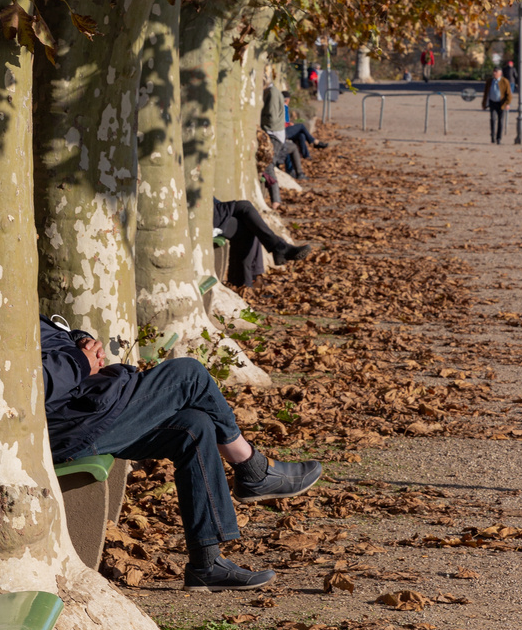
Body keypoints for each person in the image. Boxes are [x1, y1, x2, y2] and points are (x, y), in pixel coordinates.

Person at [41, 315, 323, 591]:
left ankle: (206, 564)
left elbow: (48, 343)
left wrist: (79, 340)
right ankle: (252, 469)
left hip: (87, 409)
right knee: (188, 375)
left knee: (193, 426)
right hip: (72, 426)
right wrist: (79, 361)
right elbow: (35, 383)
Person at [214, 197, 311, 288]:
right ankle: (280, 248)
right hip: (206, 216)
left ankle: (246, 283)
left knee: (250, 223)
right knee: (246, 210)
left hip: (211, 210)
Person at [260, 80, 306, 180]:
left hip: (277, 133)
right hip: (276, 133)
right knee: (301, 129)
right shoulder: (274, 94)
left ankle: (298, 171)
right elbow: (273, 118)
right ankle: (297, 171)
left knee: (300, 136)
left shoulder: (271, 93)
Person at [282, 90, 328, 160]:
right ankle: (314, 141)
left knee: (301, 135)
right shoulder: (283, 108)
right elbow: (281, 122)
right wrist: (288, 124)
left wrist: (289, 123)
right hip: (283, 131)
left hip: (285, 129)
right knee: (301, 126)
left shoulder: (284, 107)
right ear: (287, 100)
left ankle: (306, 155)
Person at [482, 66, 512, 144]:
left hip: (501, 103)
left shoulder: (505, 81)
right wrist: (484, 103)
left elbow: (509, 94)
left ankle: (499, 138)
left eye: (496, 72)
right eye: (494, 71)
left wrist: (508, 103)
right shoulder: (489, 81)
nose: (494, 73)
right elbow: (485, 93)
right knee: (492, 119)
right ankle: (492, 136)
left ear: (500, 73)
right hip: (492, 102)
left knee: (500, 121)